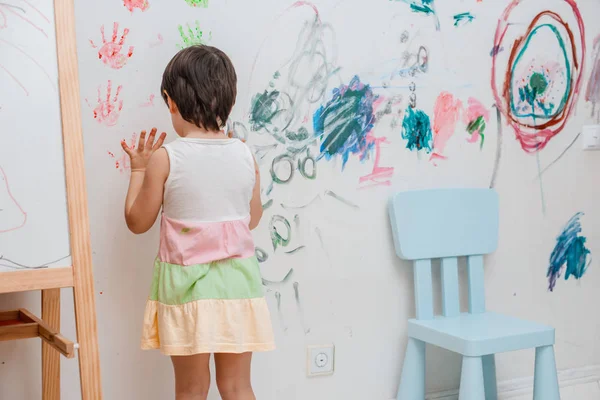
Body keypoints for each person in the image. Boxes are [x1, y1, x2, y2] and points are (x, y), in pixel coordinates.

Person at [121, 45, 275, 400]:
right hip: (239, 287)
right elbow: (251, 219)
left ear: (170, 101)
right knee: (237, 386)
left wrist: (138, 169)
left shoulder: (166, 158)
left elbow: (137, 221)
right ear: (229, 101)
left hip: (187, 293)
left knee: (192, 388)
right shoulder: (243, 153)